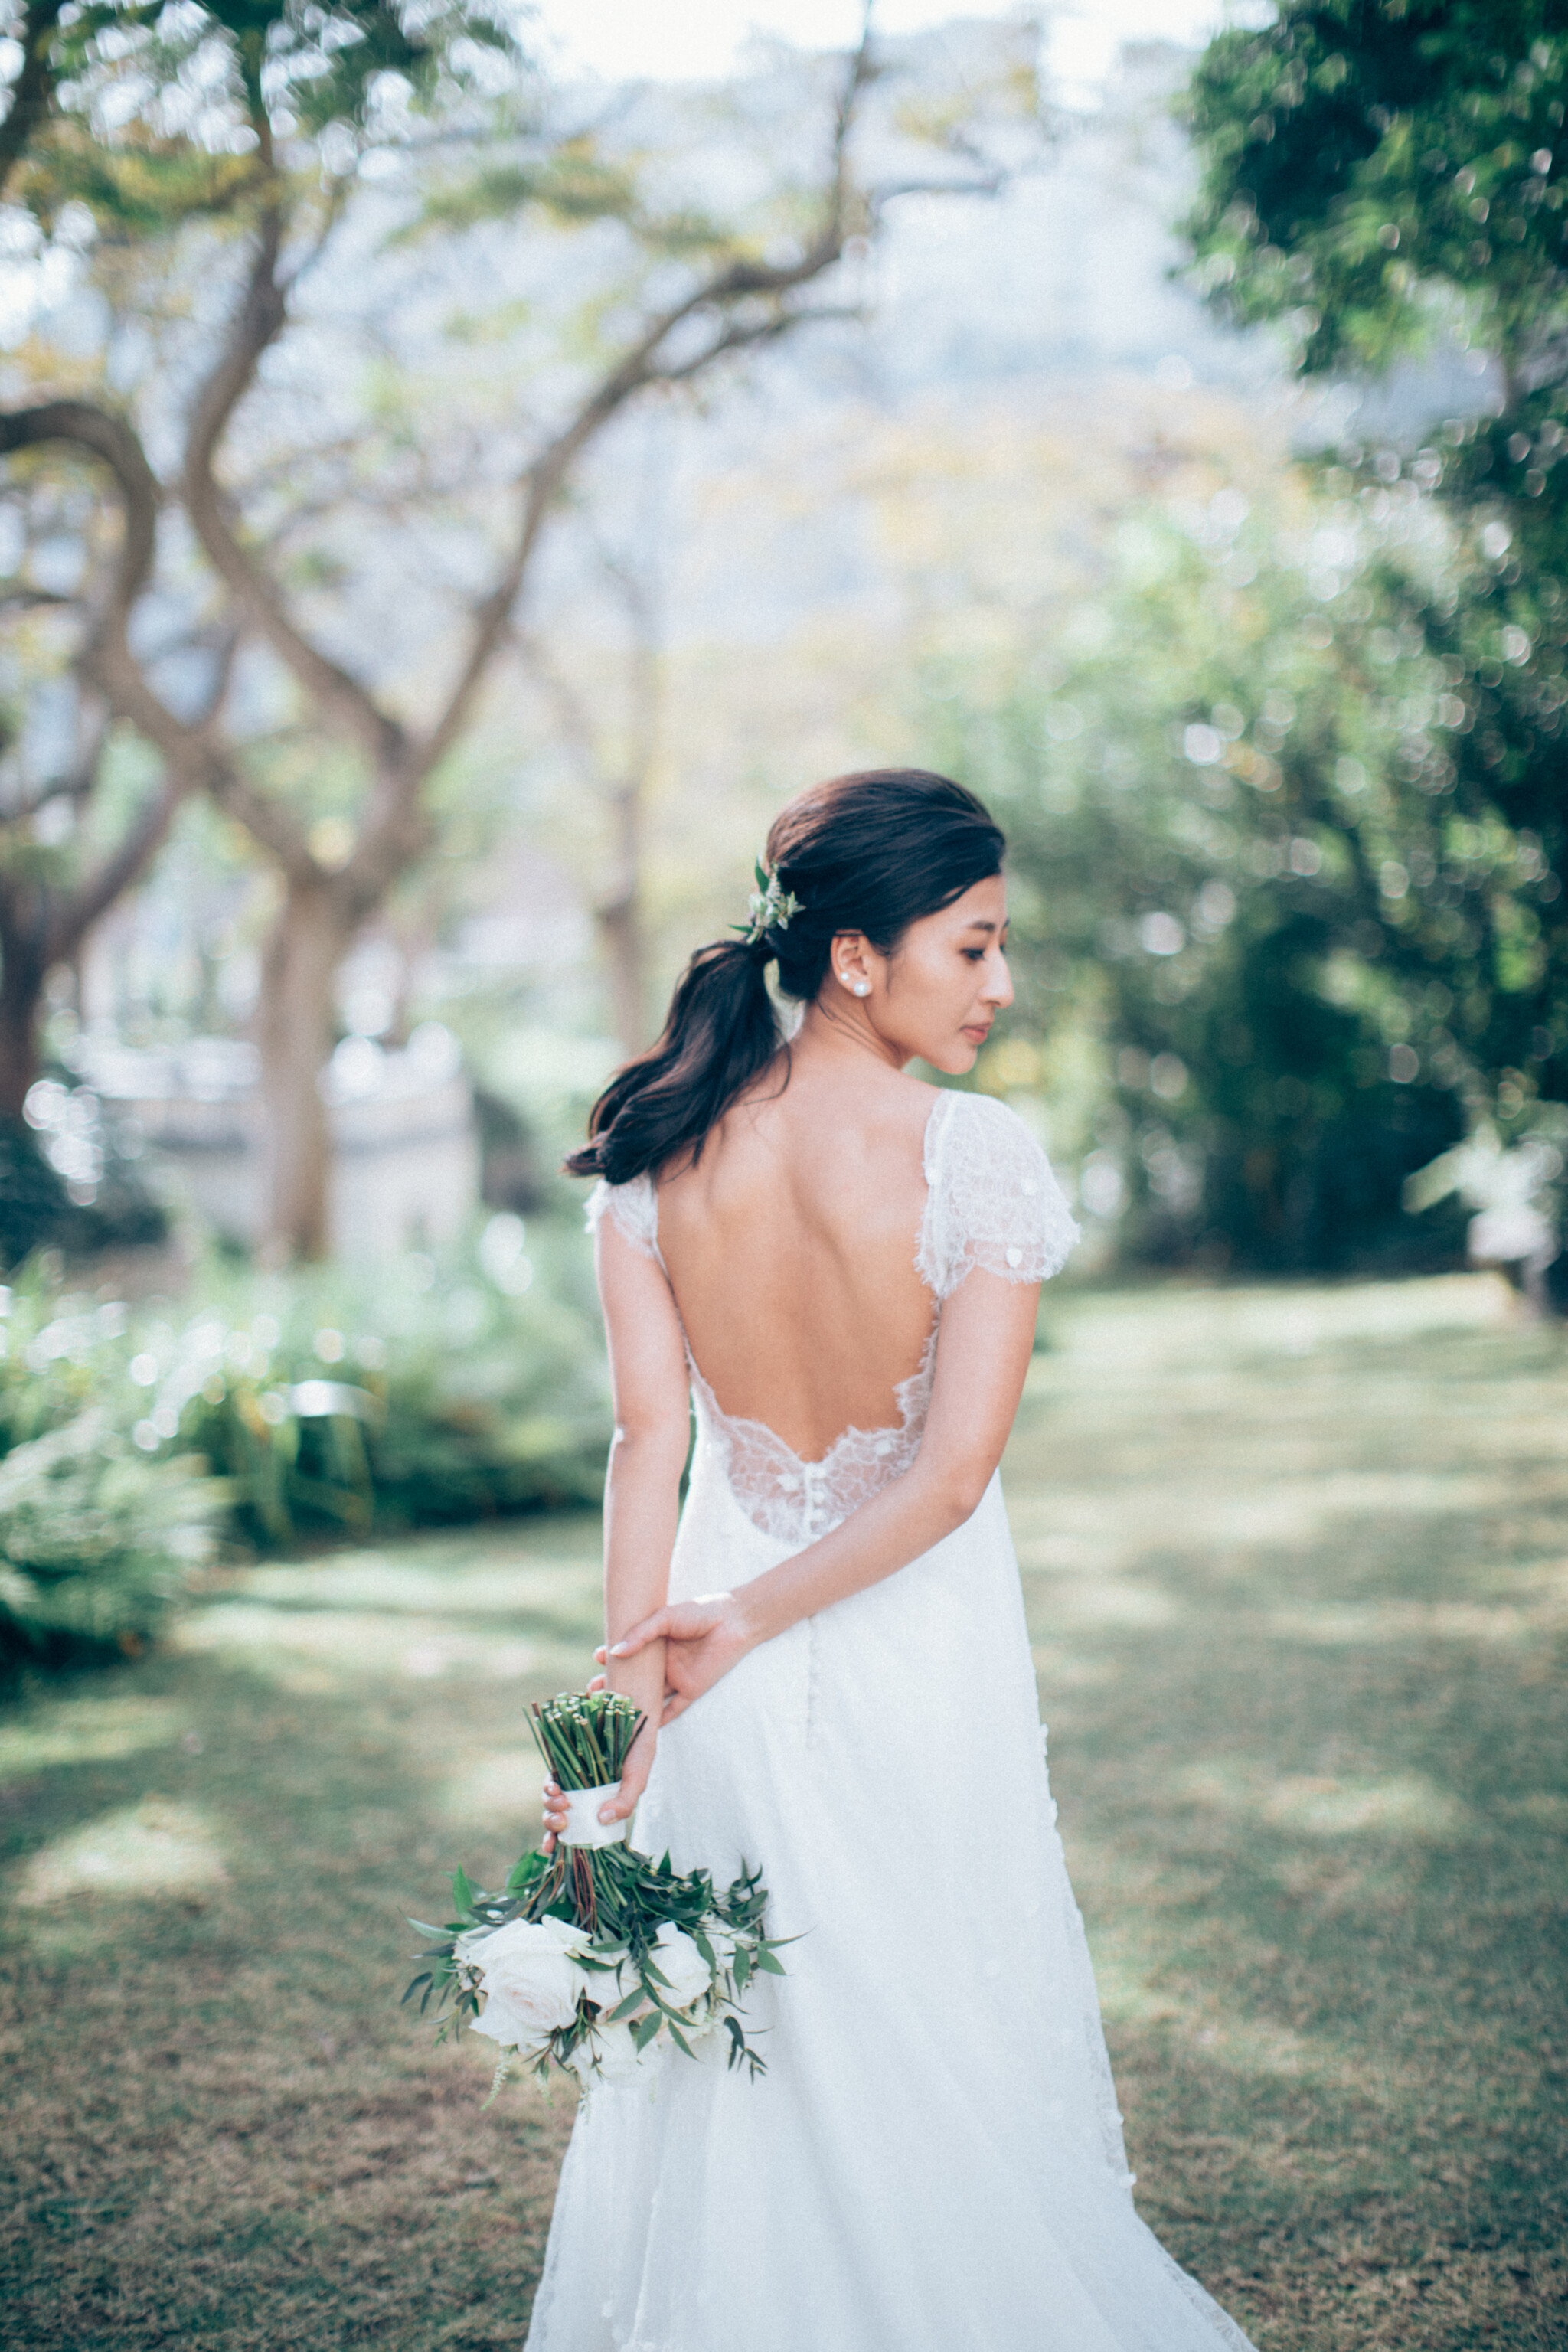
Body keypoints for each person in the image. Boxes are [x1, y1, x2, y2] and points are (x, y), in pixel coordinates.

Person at [526, 770, 1256, 2352]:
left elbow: (649, 1446)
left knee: (767, 2015)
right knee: (921, 1988)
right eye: (973, 948)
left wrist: (635, 1691)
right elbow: (945, 1483)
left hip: (714, 1614)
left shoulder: (656, 1157)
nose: (999, 985)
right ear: (857, 957)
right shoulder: (973, 1155)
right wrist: (724, 1635)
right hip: (895, 1625)